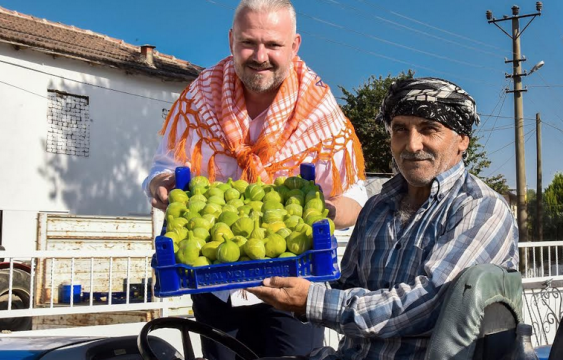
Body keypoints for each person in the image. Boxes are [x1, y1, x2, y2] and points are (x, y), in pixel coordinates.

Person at [141, 0, 367, 358]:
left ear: (294, 46)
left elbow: (354, 195)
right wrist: (161, 185)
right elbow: (161, 169)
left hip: (292, 285)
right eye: (249, 43)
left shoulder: (320, 111)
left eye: (274, 45)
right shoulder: (199, 99)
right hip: (214, 282)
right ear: (231, 40)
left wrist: (327, 210)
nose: (260, 56)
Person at [249, 77, 519, 360]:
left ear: (462, 140)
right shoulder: (376, 208)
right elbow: (345, 288)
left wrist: (312, 302)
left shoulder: (481, 208)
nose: (412, 145)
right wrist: (280, 277)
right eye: (401, 129)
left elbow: (426, 304)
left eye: (429, 129)